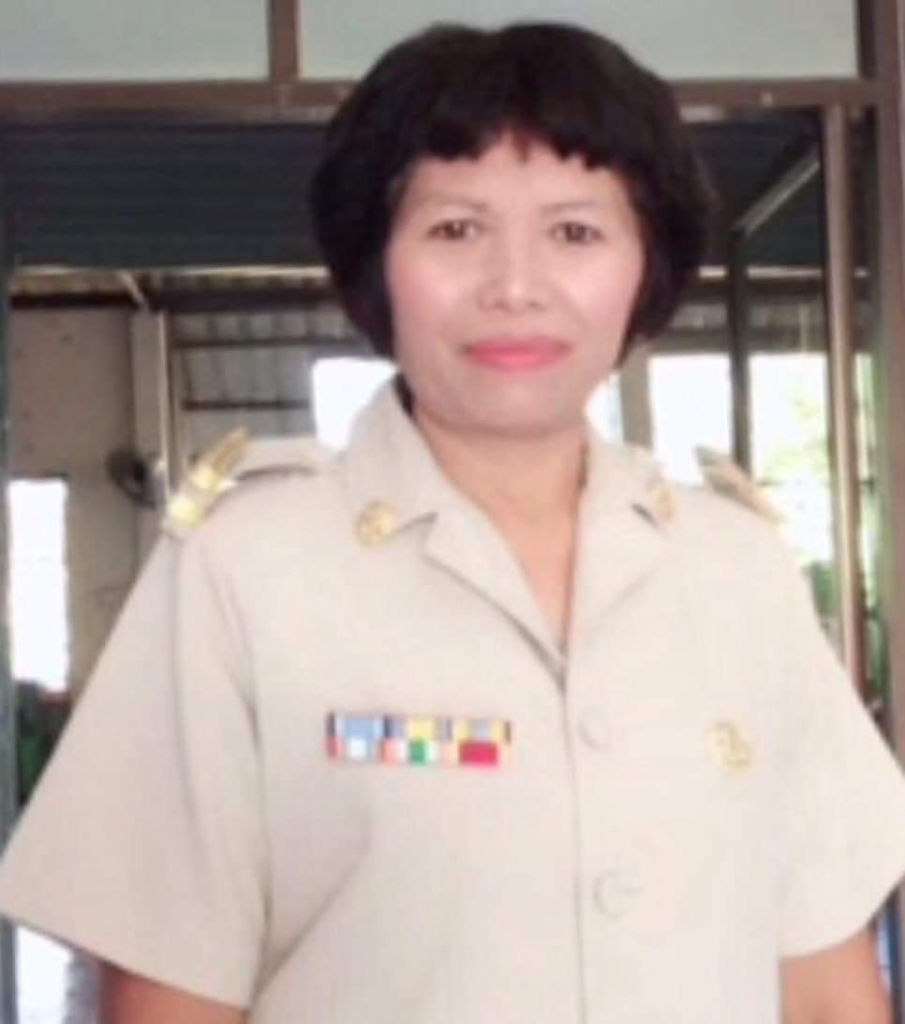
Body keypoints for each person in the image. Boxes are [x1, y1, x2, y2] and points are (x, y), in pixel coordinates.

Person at [1, 21, 904, 1024]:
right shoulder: (244, 571)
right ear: (376, 263)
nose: (514, 287)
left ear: (645, 265)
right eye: (454, 230)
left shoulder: (736, 570)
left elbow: (828, 993)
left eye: (574, 233)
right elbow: (171, 1006)